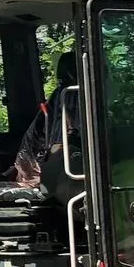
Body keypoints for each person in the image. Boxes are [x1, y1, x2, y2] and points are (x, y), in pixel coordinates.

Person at [12, 51, 79, 188]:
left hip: (34, 168)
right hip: (49, 171)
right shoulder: (73, 95)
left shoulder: (60, 94)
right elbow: (67, 143)